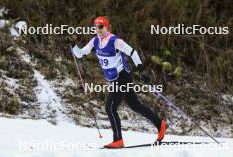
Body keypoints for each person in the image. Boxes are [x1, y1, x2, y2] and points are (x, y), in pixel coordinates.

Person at [71, 16, 166, 148]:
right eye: (96, 26)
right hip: (115, 78)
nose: (98, 29)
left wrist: (141, 70)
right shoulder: (95, 41)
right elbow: (80, 54)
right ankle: (160, 124)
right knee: (135, 106)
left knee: (110, 107)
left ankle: (118, 140)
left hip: (122, 77)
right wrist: (73, 46)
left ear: (107, 27)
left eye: (101, 26)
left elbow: (133, 52)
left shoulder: (115, 41)